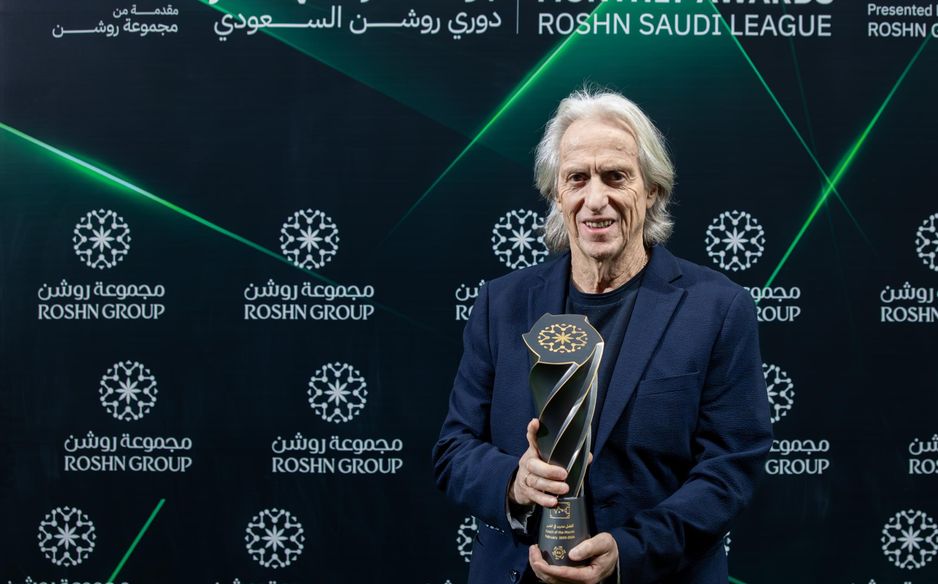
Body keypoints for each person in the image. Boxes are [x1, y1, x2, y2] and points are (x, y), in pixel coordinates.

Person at [432, 87, 772, 584]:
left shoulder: (717, 308)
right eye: (577, 179)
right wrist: (514, 481)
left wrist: (630, 551)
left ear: (652, 189)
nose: (596, 199)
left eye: (616, 176)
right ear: (556, 193)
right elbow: (454, 448)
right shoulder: (500, 305)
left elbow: (731, 466)